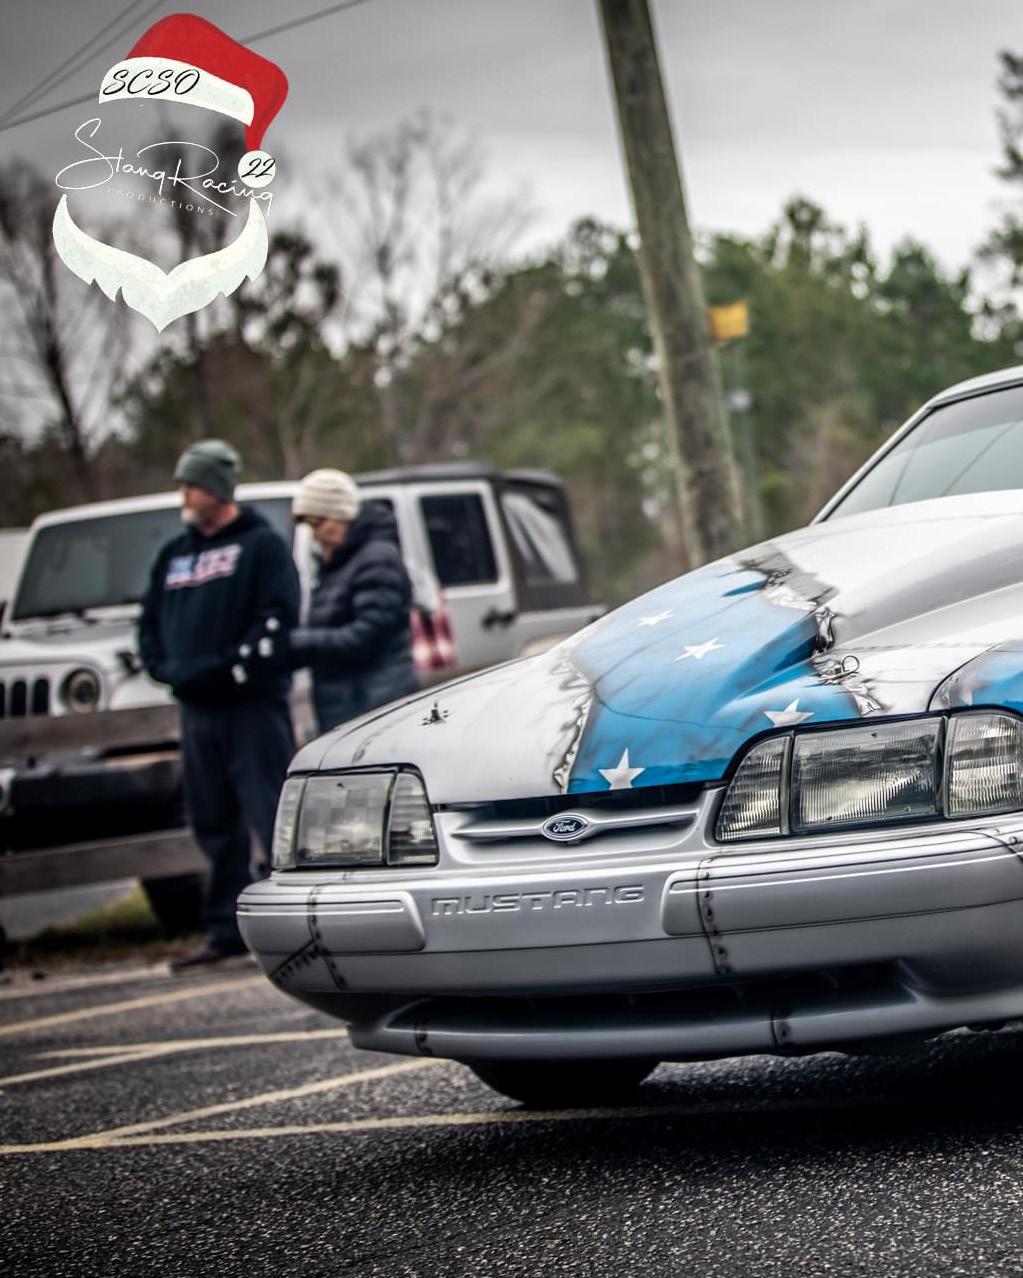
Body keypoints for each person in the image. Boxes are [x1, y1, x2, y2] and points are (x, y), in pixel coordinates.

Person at [138, 440, 300, 972]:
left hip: (250, 706)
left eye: (192, 484)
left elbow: (277, 618)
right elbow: (149, 623)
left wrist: (225, 668)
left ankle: (292, 924)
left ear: (218, 489)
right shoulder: (174, 555)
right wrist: (165, 668)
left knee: (268, 812)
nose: (184, 494)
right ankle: (226, 930)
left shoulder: (260, 547)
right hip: (197, 711)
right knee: (212, 820)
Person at [245, 468, 418, 733]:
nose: (316, 535)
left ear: (341, 514)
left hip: (375, 704)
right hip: (349, 702)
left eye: (319, 524)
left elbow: (367, 635)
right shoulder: (339, 563)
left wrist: (296, 642)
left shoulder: (376, 559)